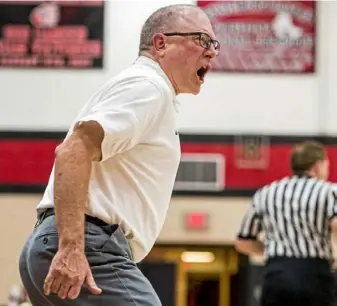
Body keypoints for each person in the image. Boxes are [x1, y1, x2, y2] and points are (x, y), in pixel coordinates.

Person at [18, 4, 219, 306]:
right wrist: (72, 248)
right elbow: (72, 151)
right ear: (161, 43)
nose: (212, 52)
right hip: (90, 248)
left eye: (214, 44)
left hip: (56, 244)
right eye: (202, 40)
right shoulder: (149, 87)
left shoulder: (145, 89)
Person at [235, 141, 337, 306]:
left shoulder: (266, 192)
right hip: (315, 276)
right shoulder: (328, 191)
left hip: (277, 274)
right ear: (318, 165)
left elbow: (243, 241)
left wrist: (273, 250)